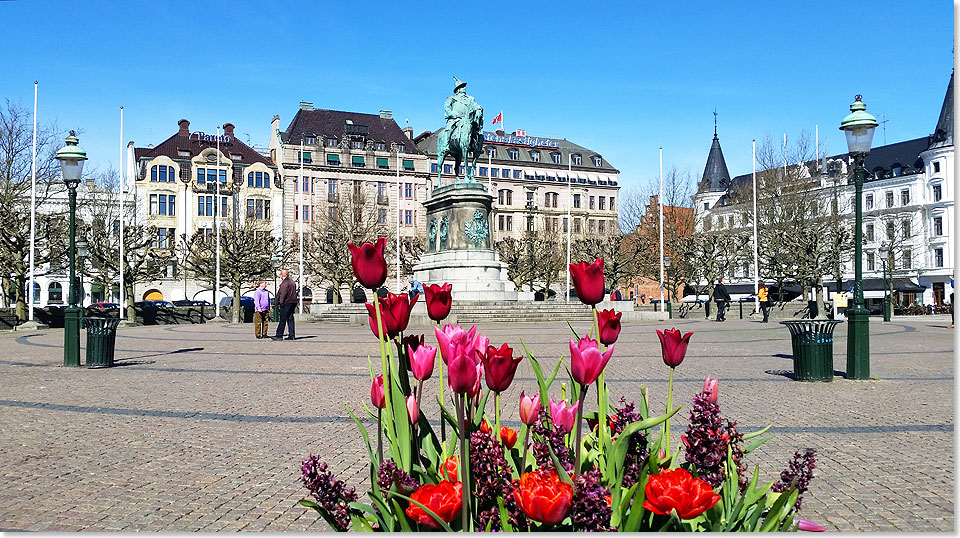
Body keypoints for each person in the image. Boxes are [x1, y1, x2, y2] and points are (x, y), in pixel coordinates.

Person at [272, 269, 297, 341]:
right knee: (290, 319)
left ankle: (279, 335)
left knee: (282, 319)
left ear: (281, 275)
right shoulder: (292, 282)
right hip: (293, 302)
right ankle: (292, 335)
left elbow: (283, 294)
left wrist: (280, 302)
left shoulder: (285, 283)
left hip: (286, 303)